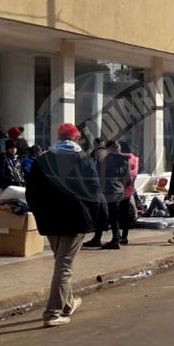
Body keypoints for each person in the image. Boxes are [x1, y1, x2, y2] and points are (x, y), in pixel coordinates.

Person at [26, 123, 99, 327]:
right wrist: (91, 219)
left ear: (59, 138)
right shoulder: (83, 159)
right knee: (64, 266)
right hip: (74, 219)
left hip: (50, 220)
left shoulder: (43, 160)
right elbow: (94, 190)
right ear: (76, 139)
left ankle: (67, 304)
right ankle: (52, 313)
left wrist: (41, 215)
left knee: (60, 262)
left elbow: (31, 193)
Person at [84, 141, 130, 250]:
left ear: (109, 148)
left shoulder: (107, 159)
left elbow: (102, 176)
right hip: (119, 189)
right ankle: (108, 238)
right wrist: (121, 187)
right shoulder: (125, 159)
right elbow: (128, 177)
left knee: (104, 214)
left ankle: (113, 240)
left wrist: (101, 191)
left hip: (108, 190)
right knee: (113, 215)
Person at [120, 144, 140, 245]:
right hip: (130, 190)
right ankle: (124, 237)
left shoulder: (122, 160)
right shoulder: (135, 160)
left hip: (119, 190)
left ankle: (117, 236)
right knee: (126, 214)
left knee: (117, 214)